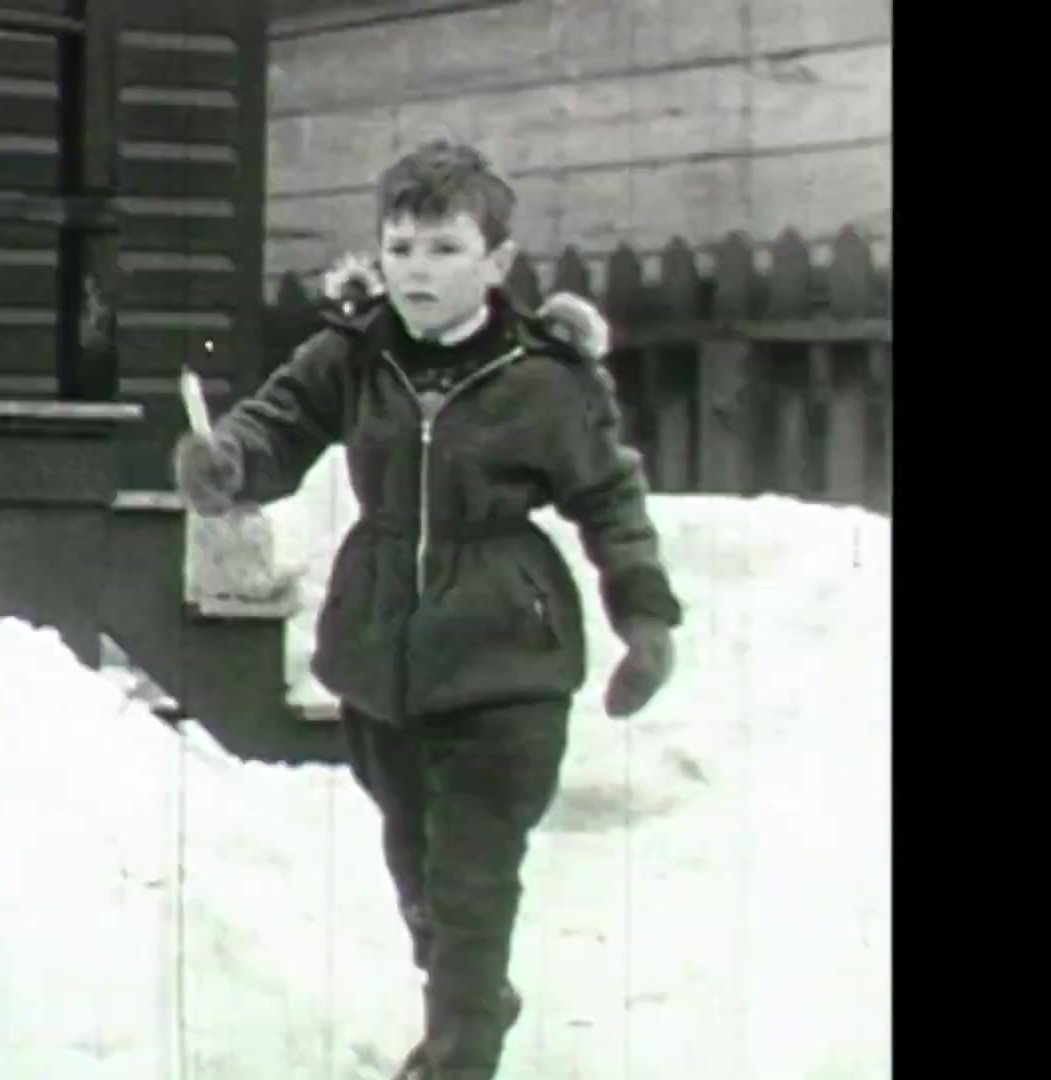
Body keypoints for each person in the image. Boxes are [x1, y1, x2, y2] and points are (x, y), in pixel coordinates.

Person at [171, 139, 684, 1079]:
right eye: (400, 246)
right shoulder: (353, 354)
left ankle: (460, 1051)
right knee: (415, 866)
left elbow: (611, 499)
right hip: (382, 653)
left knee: (470, 884)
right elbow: (278, 423)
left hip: (507, 658)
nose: (417, 269)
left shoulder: (545, 376)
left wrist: (644, 619)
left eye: (444, 249)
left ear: (496, 262)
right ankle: (472, 992)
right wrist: (229, 464)